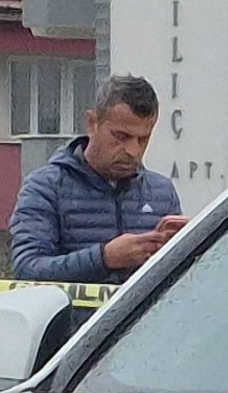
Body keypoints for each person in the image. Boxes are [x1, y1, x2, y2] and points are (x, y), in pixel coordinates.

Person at [11, 75, 188, 282]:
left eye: (143, 139)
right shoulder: (45, 187)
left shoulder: (161, 192)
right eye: (121, 137)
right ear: (92, 123)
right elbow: (28, 268)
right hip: (77, 316)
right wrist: (104, 258)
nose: (133, 150)